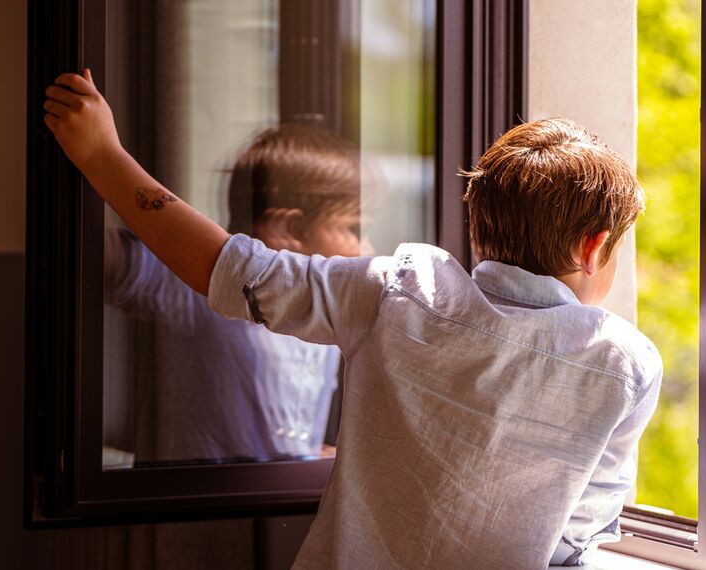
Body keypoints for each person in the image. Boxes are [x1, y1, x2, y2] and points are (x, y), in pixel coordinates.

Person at [44, 69, 661, 568]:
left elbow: (231, 267)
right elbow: (577, 534)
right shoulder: (624, 363)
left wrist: (102, 157)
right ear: (592, 246)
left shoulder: (401, 292)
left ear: (477, 231)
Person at [103, 124, 365, 464]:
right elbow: (104, 256)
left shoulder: (326, 315)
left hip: (282, 510)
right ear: (290, 228)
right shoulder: (194, 289)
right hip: (207, 508)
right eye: (354, 228)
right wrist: (102, 155)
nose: (364, 247)